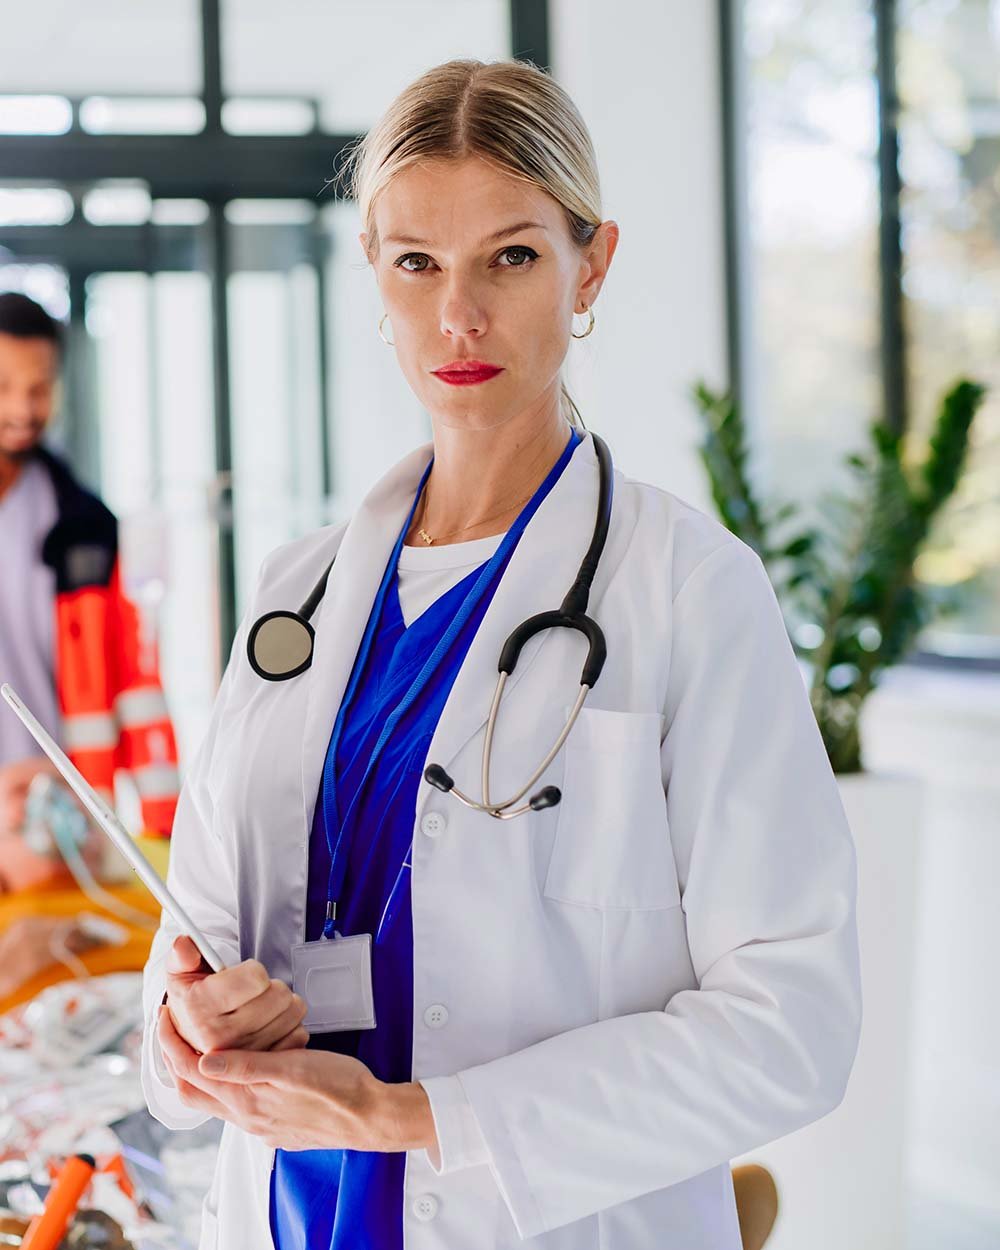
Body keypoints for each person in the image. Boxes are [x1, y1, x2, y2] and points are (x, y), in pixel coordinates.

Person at [140, 57, 862, 1250]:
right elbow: (189, 947)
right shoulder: (295, 593)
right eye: (416, 261)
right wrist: (186, 1032)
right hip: (284, 1212)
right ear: (371, 267)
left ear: (593, 262)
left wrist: (415, 1118)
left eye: (511, 257)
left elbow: (791, 1026)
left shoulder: (688, 591)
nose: (457, 316)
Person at [0, 290, 180, 997]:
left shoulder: (83, 524)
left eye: (39, 387)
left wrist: (165, 827)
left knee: (54, 990)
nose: (24, 406)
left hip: (53, 804)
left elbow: (129, 680)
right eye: (6, 385)